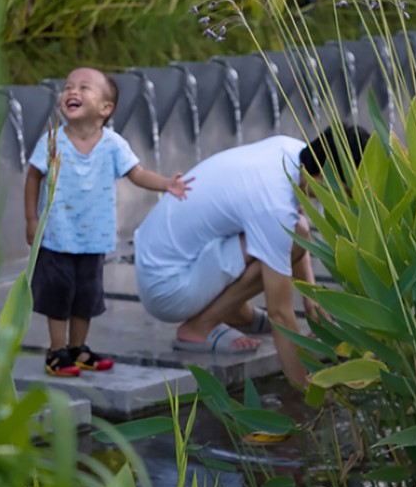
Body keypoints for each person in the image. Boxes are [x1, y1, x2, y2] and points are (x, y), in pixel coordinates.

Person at [132, 125, 372, 390]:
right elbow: (280, 313)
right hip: (166, 289)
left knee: (294, 231)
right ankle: (198, 328)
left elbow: (296, 230)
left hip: (165, 259)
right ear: (324, 177)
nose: (348, 199)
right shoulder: (274, 204)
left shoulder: (291, 151)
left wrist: (312, 301)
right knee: (285, 239)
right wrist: (307, 391)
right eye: (347, 191)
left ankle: (235, 313)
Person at [24, 67, 193, 377]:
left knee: (86, 298)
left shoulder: (113, 144)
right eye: (68, 87)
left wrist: (167, 184)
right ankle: (56, 351)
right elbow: (34, 175)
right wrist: (32, 219)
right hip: (57, 236)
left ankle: (78, 348)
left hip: (94, 239)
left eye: (84, 87)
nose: (72, 92)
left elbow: (137, 173)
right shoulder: (53, 140)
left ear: (105, 108)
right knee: (58, 297)